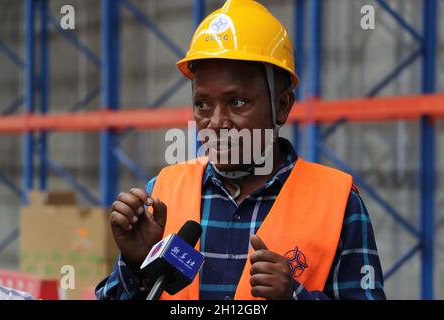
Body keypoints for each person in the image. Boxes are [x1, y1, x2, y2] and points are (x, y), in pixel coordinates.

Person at [96, 0, 386, 300]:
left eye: (237, 102)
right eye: (202, 104)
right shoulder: (163, 192)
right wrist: (135, 268)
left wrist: (296, 297)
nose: (217, 122)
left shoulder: (338, 202)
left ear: (283, 105)